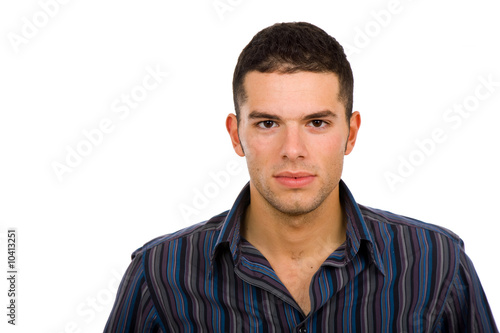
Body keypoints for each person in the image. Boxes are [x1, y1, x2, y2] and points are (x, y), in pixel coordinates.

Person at [104, 22, 498, 332]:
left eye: (317, 122)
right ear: (235, 134)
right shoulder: (159, 275)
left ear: (351, 132)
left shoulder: (437, 264)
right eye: (268, 123)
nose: (293, 149)